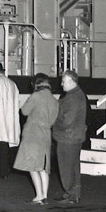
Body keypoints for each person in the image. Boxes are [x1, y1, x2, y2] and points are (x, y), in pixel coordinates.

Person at [14, 73, 59, 204]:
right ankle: (44, 195)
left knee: (32, 165)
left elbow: (24, 111)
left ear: (36, 84)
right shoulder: (54, 100)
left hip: (33, 133)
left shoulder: (35, 96)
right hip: (46, 134)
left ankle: (39, 195)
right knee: (43, 166)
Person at [52, 70, 87, 204]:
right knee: (73, 166)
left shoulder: (72, 98)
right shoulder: (78, 94)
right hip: (75, 136)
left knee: (66, 166)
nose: (61, 84)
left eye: (63, 81)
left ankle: (71, 193)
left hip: (67, 137)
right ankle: (74, 194)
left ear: (71, 81)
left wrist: (55, 124)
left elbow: (67, 121)